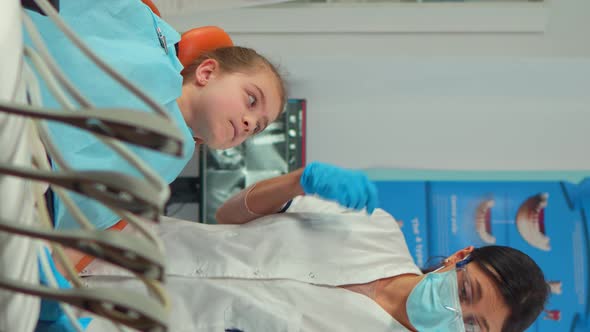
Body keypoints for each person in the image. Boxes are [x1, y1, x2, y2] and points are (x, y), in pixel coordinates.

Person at [81, 162, 549, 332]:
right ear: (457, 258)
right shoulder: (375, 228)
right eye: (465, 292)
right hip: (115, 239)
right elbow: (229, 216)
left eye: (474, 328)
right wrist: (297, 181)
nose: (454, 314)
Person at [25, 0, 286, 231]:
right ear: (207, 73)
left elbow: (84, 216)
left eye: (257, 128)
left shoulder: (172, 160)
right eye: (251, 100)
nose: (249, 123)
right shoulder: (148, 40)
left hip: (33, 180)